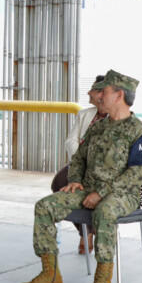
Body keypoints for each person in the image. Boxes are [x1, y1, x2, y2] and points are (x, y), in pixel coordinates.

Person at [18, 70, 142, 283]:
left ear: (119, 95)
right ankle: (50, 276)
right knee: (45, 206)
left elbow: (137, 174)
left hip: (122, 195)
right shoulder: (98, 126)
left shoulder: (140, 132)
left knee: (105, 212)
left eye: (104, 91)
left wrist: (101, 193)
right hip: (88, 188)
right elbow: (79, 157)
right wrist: (74, 180)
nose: (98, 95)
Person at [53, 74, 107, 254]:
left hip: (103, 171)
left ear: (102, 94)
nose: (88, 93)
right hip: (79, 162)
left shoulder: (117, 117)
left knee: (87, 189)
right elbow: (71, 140)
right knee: (60, 183)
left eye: (92, 89)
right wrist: (80, 160)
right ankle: (85, 231)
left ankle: (88, 232)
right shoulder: (85, 114)